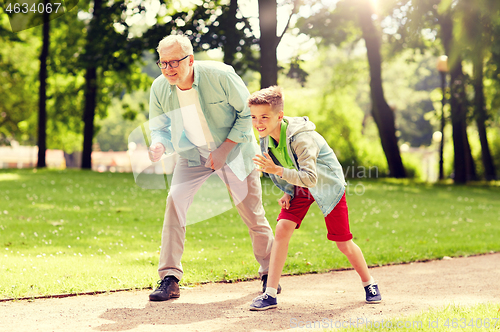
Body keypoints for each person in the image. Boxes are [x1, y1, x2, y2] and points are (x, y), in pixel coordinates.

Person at [147, 34, 278, 301]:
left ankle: (269, 274)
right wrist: (159, 145)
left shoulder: (221, 75)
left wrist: (223, 150)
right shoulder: (160, 87)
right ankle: (169, 278)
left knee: (253, 214)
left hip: (235, 151)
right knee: (175, 201)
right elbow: (160, 128)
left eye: (174, 62)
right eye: (163, 63)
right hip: (192, 155)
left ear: (190, 60)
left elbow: (247, 115)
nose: (169, 69)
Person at [247, 86, 382, 311]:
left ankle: (370, 283)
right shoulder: (266, 138)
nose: (258, 123)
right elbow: (285, 167)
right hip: (299, 184)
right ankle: (269, 294)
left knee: (343, 242)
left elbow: (309, 177)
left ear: (279, 116)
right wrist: (288, 191)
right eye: (253, 117)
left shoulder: (301, 138)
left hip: (326, 185)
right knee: (282, 229)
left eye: (264, 117)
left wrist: (279, 172)